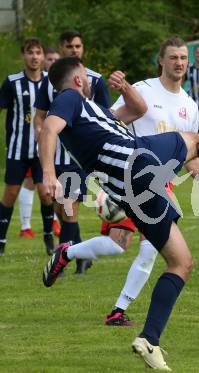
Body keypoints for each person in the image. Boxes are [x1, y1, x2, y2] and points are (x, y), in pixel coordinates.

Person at [39, 56, 199, 370]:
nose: (91, 79)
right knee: (196, 140)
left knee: (181, 263)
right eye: (86, 74)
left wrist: (123, 87)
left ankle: (149, 339)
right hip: (136, 162)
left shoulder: (91, 115)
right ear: (79, 80)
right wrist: (48, 174)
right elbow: (47, 130)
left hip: (132, 194)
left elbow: (137, 110)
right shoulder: (69, 98)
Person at [103, 37, 199, 326]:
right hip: (132, 178)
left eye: (183, 58)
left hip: (160, 185)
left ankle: (116, 308)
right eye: (173, 57)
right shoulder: (141, 90)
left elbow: (190, 154)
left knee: (147, 247)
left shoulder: (189, 105)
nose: (179, 63)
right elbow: (110, 124)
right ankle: (119, 309)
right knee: (137, 246)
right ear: (161, 61)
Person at [34, 30, 111, 274]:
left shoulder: (95, 80)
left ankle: (64, 262)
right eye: (69, 46)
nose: (74, 50)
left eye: (78, 46)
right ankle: (81, 255)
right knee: (59, 206)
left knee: (69, 206)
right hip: (54, 153)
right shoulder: (50, 80)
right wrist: (42, 134)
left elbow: (107, 118)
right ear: (62, 48)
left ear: (83, 48)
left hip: (78, 157)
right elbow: (39, 116)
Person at [0, 38, 55, 257]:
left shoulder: (51, 82)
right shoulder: (12, 82)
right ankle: (1, 241)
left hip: (42, 150)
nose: (34, 57)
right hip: (17, 149)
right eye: (30, 52)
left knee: (46, 194)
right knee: (10, 194)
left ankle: (49, 238)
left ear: (42, 56)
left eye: (38, 52)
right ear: (23, 55)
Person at [18, 46, 61, 240]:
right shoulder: (39, 83)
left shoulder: (62, 82)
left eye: (55, 60)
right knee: (32, 182)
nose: (52, 62)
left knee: (53, 185)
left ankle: (54, 221)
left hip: (58, 143)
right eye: (49, 59)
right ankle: (26, 226)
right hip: (29, 143)